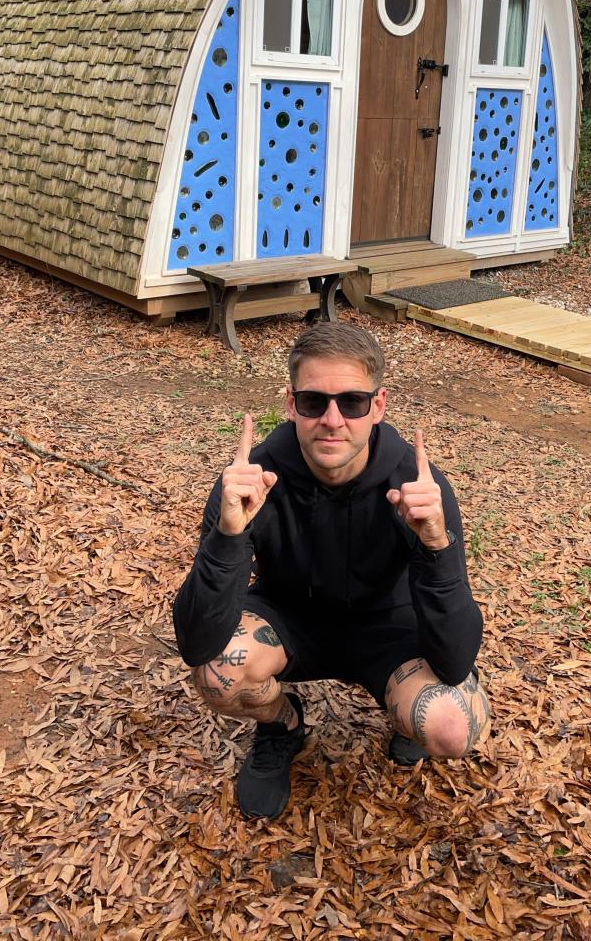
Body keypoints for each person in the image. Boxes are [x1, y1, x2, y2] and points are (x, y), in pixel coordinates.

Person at [172, 324, 489, 820]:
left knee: (450, 727)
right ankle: (283, 725)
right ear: (291, 403)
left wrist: (435, 543)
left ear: (379, 406)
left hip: (390, 624)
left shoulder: (418, 487)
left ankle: (403, 719)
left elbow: (454, 660)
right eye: (314, 401)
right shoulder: (253, 479)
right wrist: (227, 538)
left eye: (353, 403)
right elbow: (195, 641)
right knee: (217, 674)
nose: (333, 420)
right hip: (291, 614)